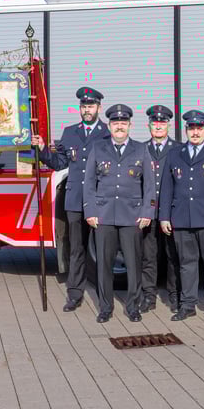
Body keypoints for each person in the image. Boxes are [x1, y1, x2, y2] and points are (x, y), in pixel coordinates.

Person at [32, 86, 109, 313]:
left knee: (103, 251)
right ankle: (75, 295)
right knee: (76, 249)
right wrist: (43, 149)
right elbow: (59, 163)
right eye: (84, 106)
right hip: (75, 201)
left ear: (99, 108)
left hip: (100, 201)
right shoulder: (69, 133)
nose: (87, 110)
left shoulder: (107, 133)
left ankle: (105, 298)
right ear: (80, 109)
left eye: (91, 106)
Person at [83, 104, 155, 323]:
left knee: (133, 264)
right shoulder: (98, 147)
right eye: (116, 123)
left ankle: (133, 306)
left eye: (123, 123)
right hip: (103, 216)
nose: (120, 127)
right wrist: (91, 211)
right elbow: (89, 183)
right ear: (110, 126)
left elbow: (149, 185)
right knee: (104, 265)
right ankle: (106, 307)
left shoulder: (141, 149)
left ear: (130, 125)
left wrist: (147, 212)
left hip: (132, 217)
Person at [160, 110, 204, 322]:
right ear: (186, 130)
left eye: (199, 128)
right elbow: (167, 187)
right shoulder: (175, 154)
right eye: (191, 128)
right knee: (186, 263)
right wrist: (164, 216)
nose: (195, 132)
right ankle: (188, 305)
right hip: (181, 218)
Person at [140, 104, 181, 313]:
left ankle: (174, 295)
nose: (158, 126)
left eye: (162, 122)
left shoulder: (178, 149)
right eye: (154, 122)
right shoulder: (141, 149)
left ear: (168, 125)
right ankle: (149, 295)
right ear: (148, 126)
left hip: (170, 211)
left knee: (173, 255)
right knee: (149, 256)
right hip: (148, 212)